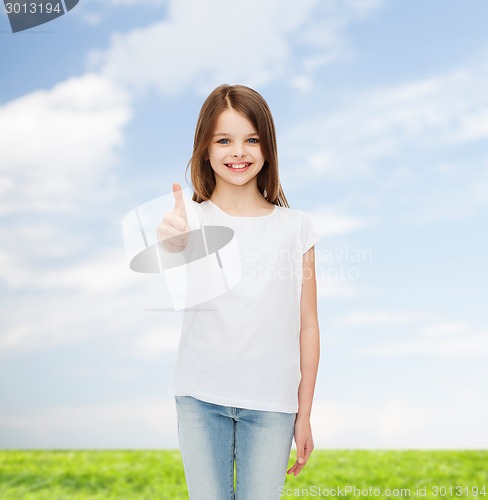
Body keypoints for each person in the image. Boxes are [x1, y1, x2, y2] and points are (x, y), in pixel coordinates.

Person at [157, 84, 320, 500]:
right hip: (200, 399)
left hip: (272, 405)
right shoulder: (189, 218)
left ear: (267, 147)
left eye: (251, 139)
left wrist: (304, 414)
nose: (239, 152)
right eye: (224, 140)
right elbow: (172, 255)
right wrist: (173, 239)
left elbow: (307, 324)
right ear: (205, 149)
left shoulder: (296, 226)